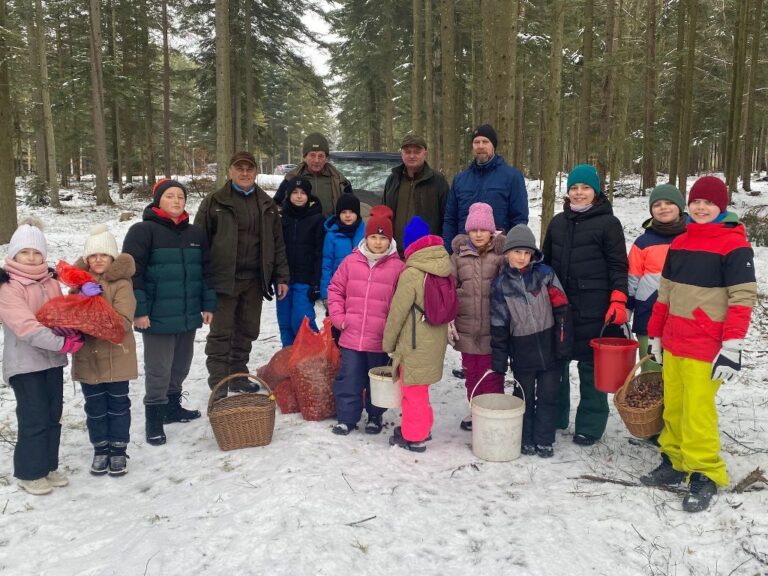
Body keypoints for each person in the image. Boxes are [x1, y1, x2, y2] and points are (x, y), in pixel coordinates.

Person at [641, 176, 757, 513]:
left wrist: (732, 345)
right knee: (674, 405)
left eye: (709, 203)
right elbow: (664, 292)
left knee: (698, 411)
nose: (701, 208)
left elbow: (742, 297)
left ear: (721, 206)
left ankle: (704, 471)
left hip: (707, 345)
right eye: (696, 202)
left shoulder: (734, 245)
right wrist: (656, 335)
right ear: (688, 205)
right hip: (675, 341)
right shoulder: (681, 242)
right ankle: (675, 460)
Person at [123, 179, 217, 447]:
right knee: (159, 369)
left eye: (181, 197)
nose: (177, 201)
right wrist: (138, 311)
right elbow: (132, 275)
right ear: (157, 200)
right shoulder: (142, 232)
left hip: (187, 314)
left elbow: (206, 272)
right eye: (170, 196)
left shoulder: (196, 234)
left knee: (181, 365)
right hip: (156, 316)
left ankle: (172, 407)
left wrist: (208, 305)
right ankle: (154, 417)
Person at [542, 164, 629, 446]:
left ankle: (590, 425)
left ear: (596, 191)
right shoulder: (557, 222)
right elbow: (546, 263)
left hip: (595, 306)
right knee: (558, 362)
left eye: (585, 188)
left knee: (591, 368)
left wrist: (618, 297)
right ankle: (555, 415)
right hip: (561, 306)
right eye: (574, 188)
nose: (579, 193)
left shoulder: (608, 224)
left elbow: (618, 265)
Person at [194, 151, 289, 394]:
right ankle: (219, 385)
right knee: (221, 334)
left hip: (255, 281)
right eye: (239, 169)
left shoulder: (266, 204)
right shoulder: (214, 202)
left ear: (255, 172)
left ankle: (237, 376)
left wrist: (281, 276)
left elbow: (277, 243)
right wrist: (201, 280)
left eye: (249, 169)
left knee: (246, 331)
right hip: (223, 280)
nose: (244, 173)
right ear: (230, 172)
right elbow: (199, 242)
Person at [0, 219, 82, 495]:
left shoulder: (50, 281)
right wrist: (62, 343)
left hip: (52, 360)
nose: (31, 257)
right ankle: (29, 472)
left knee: (52, 415)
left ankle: (47, 466)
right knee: (33, 416)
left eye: (36, 252)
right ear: (13, 254)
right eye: (25, 252)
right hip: (25, 363)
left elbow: (62, 312)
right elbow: (26, 327)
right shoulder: (9, 286)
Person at [491, 225, 570, 458]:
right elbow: (498, 324)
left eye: (526, 252)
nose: (522, 257)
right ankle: (525, 437)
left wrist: (562, 343)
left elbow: (562, 309)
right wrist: (500, 358)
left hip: (549, 348)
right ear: (507, 253)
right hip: (521, 351)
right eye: (517, 252)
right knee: (523, 396)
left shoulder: (546, 275)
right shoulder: (500, 285)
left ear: (533, 254)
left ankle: (544, 439)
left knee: (548, 395)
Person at [327, 206, 404, 435]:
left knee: (377, 380)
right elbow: (335, 289)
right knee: (349, 379)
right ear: (366, 237)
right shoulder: (351, 262)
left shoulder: (398, 267)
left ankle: (374, 416)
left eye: (383, 238)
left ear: (390, 240)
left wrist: (392, 330)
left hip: (379, 339)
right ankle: (347, 418)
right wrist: (339, 318)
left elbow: (401, 302)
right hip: (351, 336)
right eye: (373, 237)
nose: (378, 242)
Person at [71, 225, 137, 476]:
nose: (98, 260)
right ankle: (100, 448)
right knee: (95, 407)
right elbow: (70, 316)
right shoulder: (78, 286)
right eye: (93, 256)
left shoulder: (121, 284)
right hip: (88, 358)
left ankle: (119, 449)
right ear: (87, 259)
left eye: (104, 255)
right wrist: (81, 298)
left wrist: (94, 305)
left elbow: (122, 322)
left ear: (112, 258)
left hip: (116, 357)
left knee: (118, 405)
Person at [383, 216, 452, 452]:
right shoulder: (443, 265)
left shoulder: (412, 272)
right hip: (434, 338)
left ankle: (414, 436)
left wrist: (388, 343)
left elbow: (397, 313)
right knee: (421, 388)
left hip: (414, 341)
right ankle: (423, 427)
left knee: (412, 390)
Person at [449, 202, 506, 431]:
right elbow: (449, 285)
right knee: (471, 372)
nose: (479, 234)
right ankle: (475, 409)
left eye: (483, 230)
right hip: (466, 325)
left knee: (491, 372)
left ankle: (492, 410)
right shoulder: (458, 256)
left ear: (491, 231)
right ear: (468, 231)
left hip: (492, 326)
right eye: (474, 230)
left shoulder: (500, 256)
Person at [628, 184, 687, 373]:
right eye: (657, 204)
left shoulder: (693, 237)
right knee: (652, 370)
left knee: (679, 372)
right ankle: (651, 402)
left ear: (680, 206)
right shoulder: (643, 243)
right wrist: (627, 309)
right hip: (648, 313)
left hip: (686, 317)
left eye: (669, 203)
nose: (663, 207)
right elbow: (632, 278)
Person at [443, 123, 528, 251]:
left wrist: (510, 250)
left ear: (493, 145)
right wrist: (449, 252)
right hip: (465, 255)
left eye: (485, 141)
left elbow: (519, 219)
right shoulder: (460, 180)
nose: (480, 146)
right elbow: (450, 219)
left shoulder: (512, 177)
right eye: (476, 142)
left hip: (497, 255)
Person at [277, 177, 325, 346]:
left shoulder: (317, 219)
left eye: (303, 193)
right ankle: (289, 361)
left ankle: (318, 357)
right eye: (295, 193)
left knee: (301, 321)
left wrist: (316, 283)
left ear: (309, 196)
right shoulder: (281, 219)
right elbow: (275, 249)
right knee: (285, 323)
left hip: (305, 280)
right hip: (284, 280)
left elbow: (320, 253)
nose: (298, 196)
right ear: (288, 195)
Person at [382, 133, 449, 254]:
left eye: (417, 152)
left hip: (426, 253)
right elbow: (384, 214)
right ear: (401, 153)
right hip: (394, 252)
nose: (412, 156)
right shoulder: (393, 179)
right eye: (407, 151)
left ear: (425, 153)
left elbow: (447, 217)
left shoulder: (438, 181)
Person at [274, 133, 352, 218]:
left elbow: (351, 208)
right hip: (300, 230)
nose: (316, 160)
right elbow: (276, 205)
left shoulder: (340, 181)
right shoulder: (291, 179)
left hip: (330, 230)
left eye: (321, 156)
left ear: (326, 158)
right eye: (312, 155)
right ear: (305, 157)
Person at [321, 192, 364, 312]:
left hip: (360, 289)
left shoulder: (366, 234)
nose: (348, 215)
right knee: (337, 323)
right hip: (338, 288)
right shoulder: (331, 236)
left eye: (352, 212)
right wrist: (325, 294)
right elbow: (327, 265)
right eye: (344, 212)